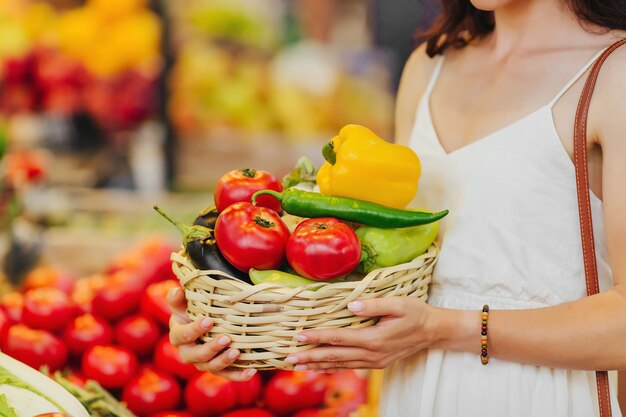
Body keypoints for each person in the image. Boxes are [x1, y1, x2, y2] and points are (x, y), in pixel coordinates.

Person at [167, 0, 626, 415]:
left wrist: (445, 329)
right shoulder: (429, 68)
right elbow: (396, 279)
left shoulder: (613, 74)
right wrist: (237, 330)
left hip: (536, 401)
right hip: (409, 395)